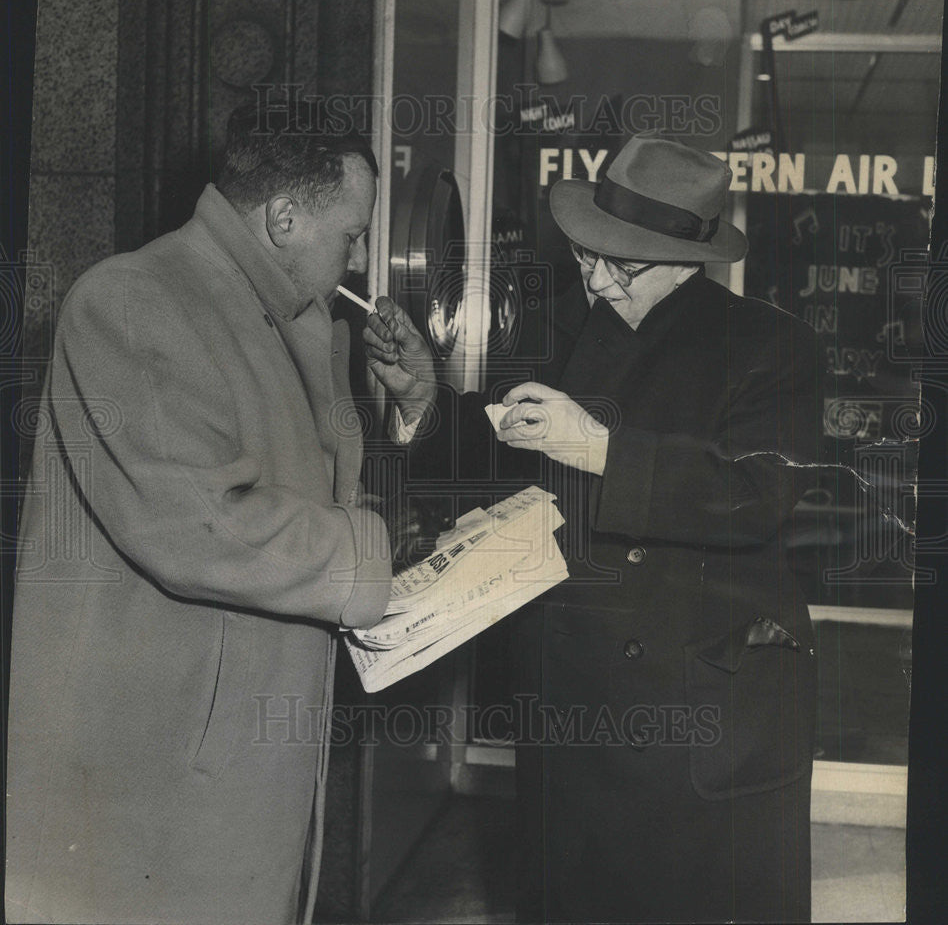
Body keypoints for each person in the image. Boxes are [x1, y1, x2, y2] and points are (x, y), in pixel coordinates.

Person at [364, 135, 824, 923]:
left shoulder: (772, 347)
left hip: (697, 708)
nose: (599, 279)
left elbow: (758, 496)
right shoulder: (555, 327)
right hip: (571, 701)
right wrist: (424, 402)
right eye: (588, 254)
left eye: (626, 264)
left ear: (692, 258)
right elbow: (497, 454)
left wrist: (601, 449)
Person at [5, 103, 430, 924]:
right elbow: (203, 524)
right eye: (353, 234)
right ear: (282, 217)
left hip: (235, 748)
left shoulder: (303, 321)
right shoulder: (132, 298)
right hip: (148, 766)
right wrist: (375, 555)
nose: (364, 257)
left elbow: (321, 505)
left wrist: (409, 406)